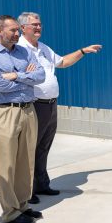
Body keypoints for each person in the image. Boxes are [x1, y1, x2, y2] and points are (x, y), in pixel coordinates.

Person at [17, 11, 102, 203]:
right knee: (30, 149)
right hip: (33, 105)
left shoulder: (43, 48)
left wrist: (82, 51)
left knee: (44, 146)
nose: (39, 27)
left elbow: (62, 62)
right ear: (23, 28)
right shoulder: (19, 50)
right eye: (34, 25)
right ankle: (27, 191)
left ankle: (42, 184)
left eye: (40, 24)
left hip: (50, 105)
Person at [0, 15, 45, 223]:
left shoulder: (24, 51)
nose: (17, 34)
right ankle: (10, 211)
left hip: (28, 110)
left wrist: (16, 76)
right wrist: (26, 77)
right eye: (12, 30)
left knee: (26, 161)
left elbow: (41, 76)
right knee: (7, 162)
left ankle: (22, 204)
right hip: (6, 112)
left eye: (18, 30)